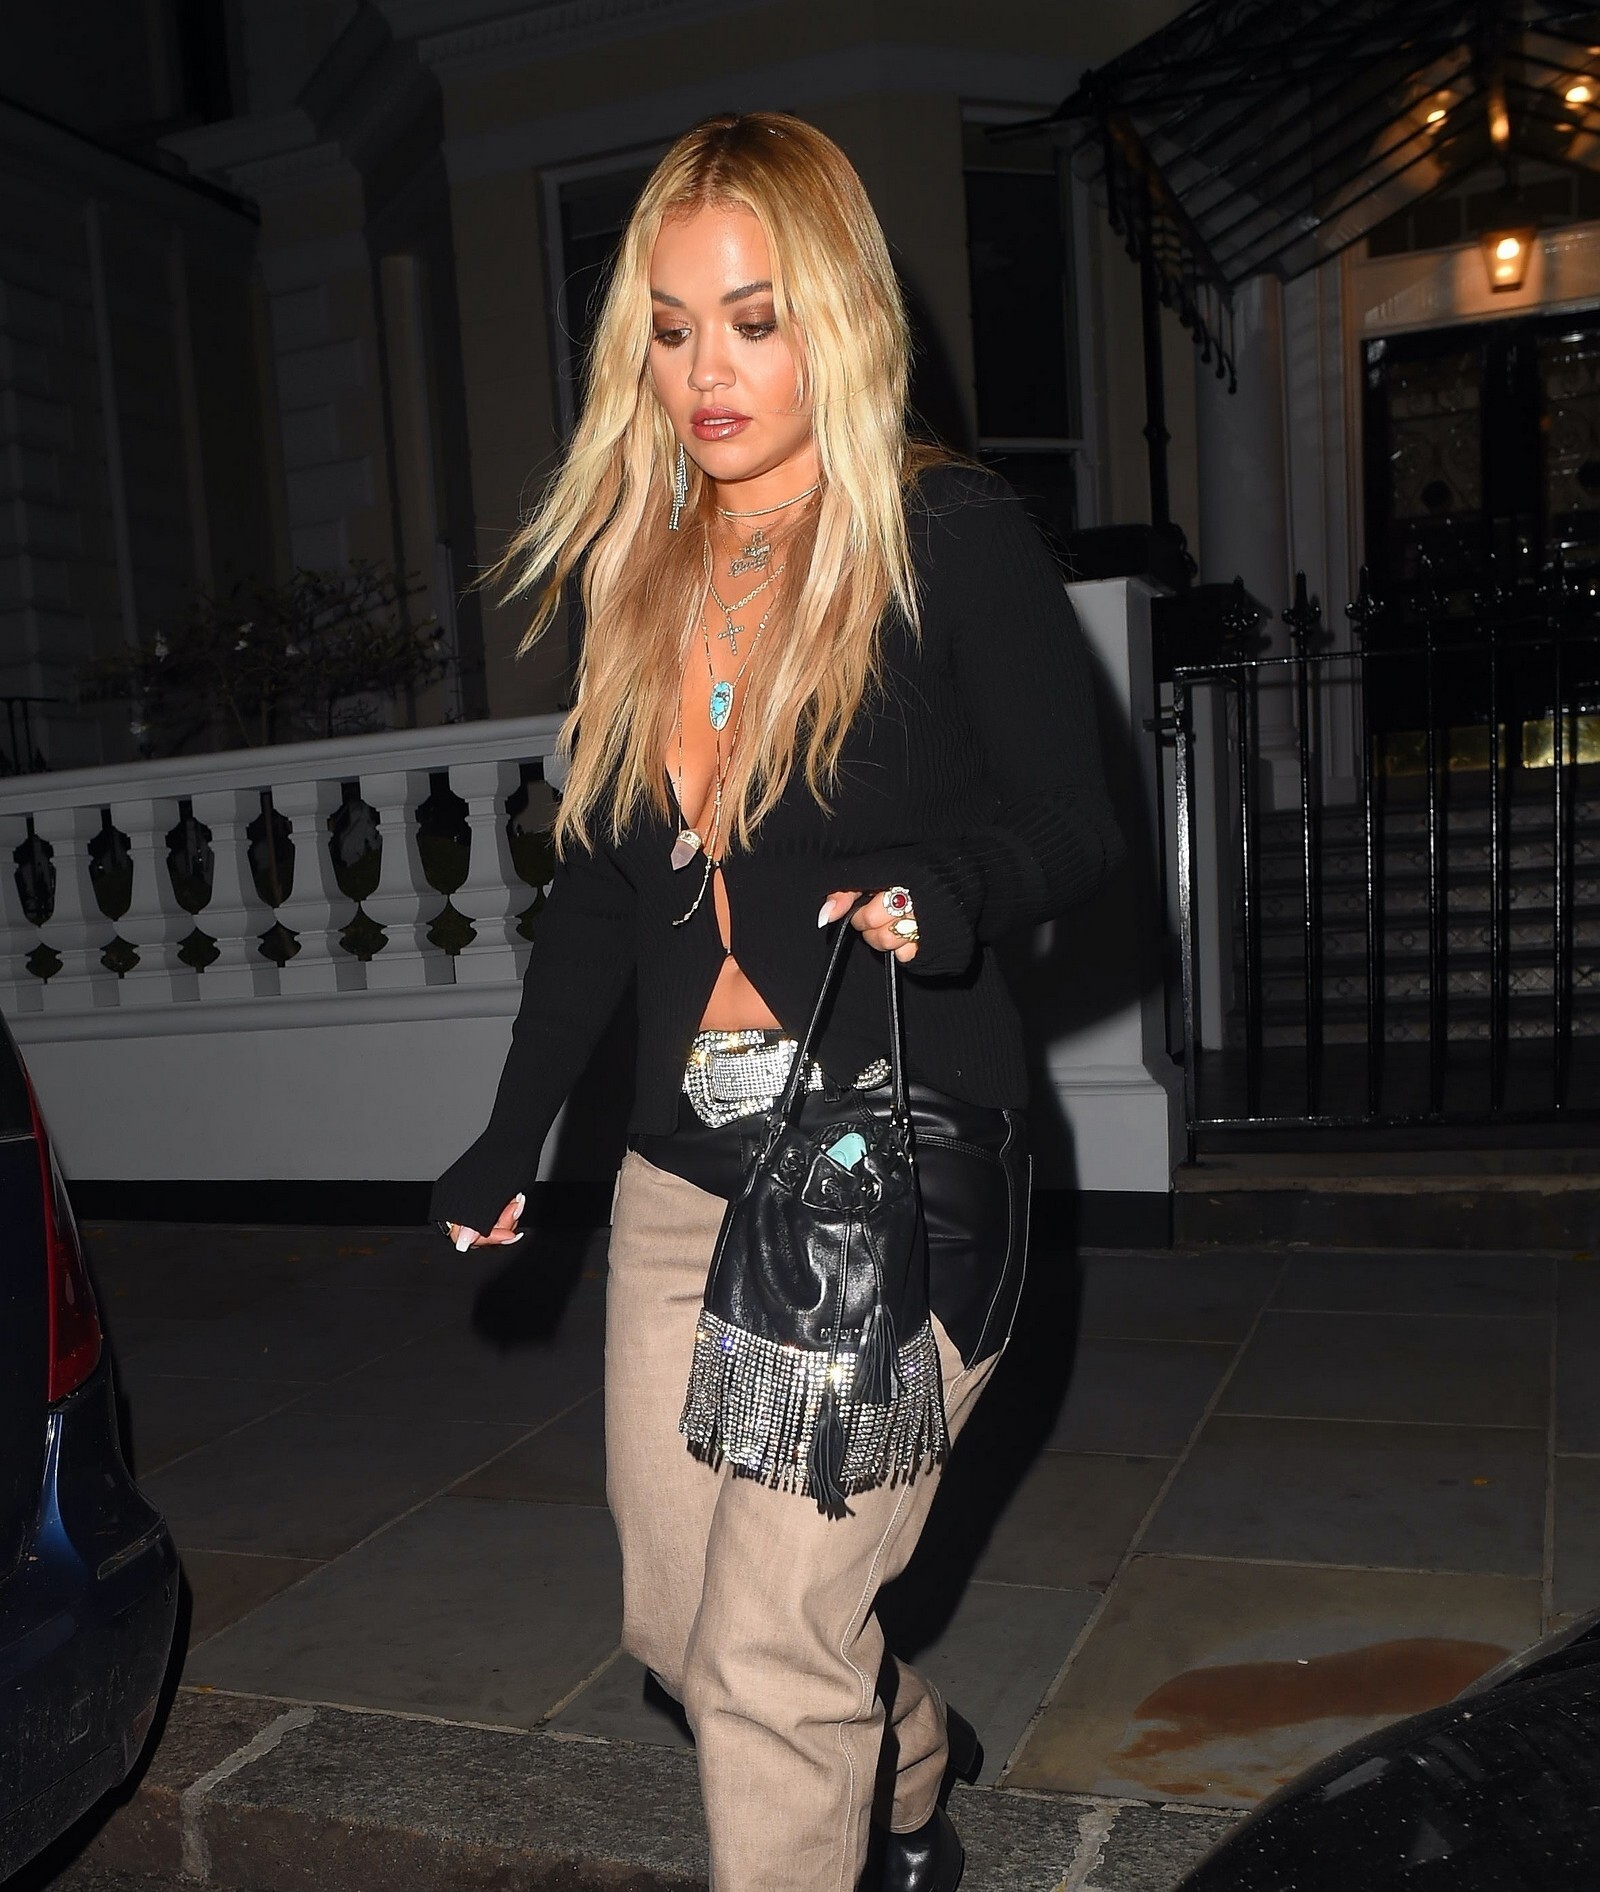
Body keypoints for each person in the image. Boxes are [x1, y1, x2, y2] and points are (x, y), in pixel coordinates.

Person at [434, 111, 1122, 1892]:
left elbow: (1076, 819)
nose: (707, 372)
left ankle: (836, 1782)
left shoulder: (941, 534)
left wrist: (950, 889)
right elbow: (602, 892)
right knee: (683, 1632)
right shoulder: (643, 570)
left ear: (839, 315)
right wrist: (513, 1134)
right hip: (683, 1177)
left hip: (884, 1176)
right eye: (670, 329)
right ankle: (904, 1771)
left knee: (764, 1652)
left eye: (753, 320)